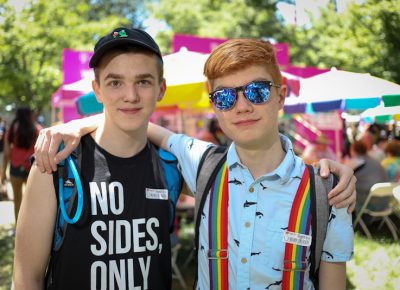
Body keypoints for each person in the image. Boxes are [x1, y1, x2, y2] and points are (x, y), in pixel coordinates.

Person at [34, 38, 356, 289]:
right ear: (215, 106)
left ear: (281, 96)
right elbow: (133, 118)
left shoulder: (327, 191)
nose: (242, 106)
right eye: (226, 97)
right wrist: (75, 126)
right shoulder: (203, 165)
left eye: (257, 91)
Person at [13, 27, 173, 290]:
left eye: (143, 81)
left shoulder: (172, 166)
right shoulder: (57, 164)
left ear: (161, 88)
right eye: (115, 82)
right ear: (97, 90)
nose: (130, 95)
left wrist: (83, 123)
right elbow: (26, 279)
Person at [1, 107, 41, 222]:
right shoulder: (36, 129)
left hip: (15, 168)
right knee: (32, 200)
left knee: (17, 200)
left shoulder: (12, 129)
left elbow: (7, 153)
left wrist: (3, 173)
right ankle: (32, 226)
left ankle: (18, 228)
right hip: (32, 169)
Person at [350, 140, 389, 211]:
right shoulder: (374, 161)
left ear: (353, 150)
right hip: (384, 202)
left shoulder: (357, 161)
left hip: (368, 203)